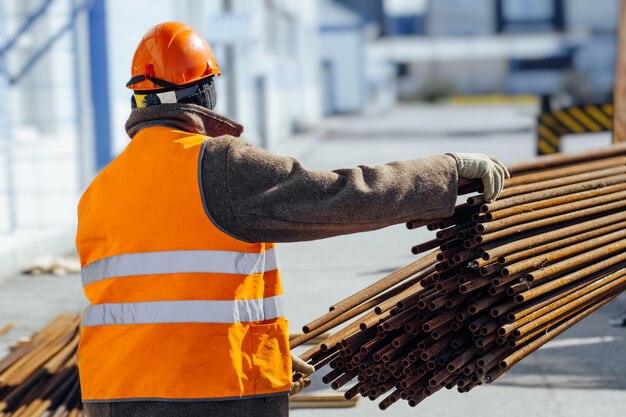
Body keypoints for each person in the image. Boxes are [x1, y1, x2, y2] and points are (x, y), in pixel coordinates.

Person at [76, 22, 509, 417]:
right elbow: (344, 196)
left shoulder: (100, 189)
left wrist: (269, 348)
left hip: (111, 394)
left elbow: (159, 297)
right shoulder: (218, 164)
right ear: (205, 92)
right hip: (213, 391)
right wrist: (447, 172)